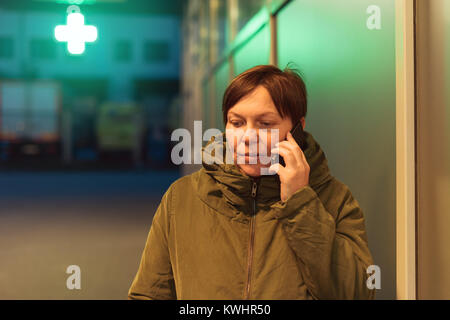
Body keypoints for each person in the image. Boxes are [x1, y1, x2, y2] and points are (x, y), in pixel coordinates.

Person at [128, 64, 375, 300]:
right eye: (236, 123)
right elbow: (149, 293)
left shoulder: (334, 199)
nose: (247, 137)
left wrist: (300, 203)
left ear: (297, 129)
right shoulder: (182, 197)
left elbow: (356, 293)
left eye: (265, 124)